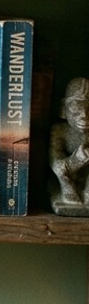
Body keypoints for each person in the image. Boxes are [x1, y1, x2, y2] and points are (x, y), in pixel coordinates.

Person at [50, 77, 89, 208]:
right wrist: (75, 161)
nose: (84, 115)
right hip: (66, 178)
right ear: (63, 109)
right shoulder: (59, 131)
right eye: (76, 110)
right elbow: (55, 164)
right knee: (59, 169)